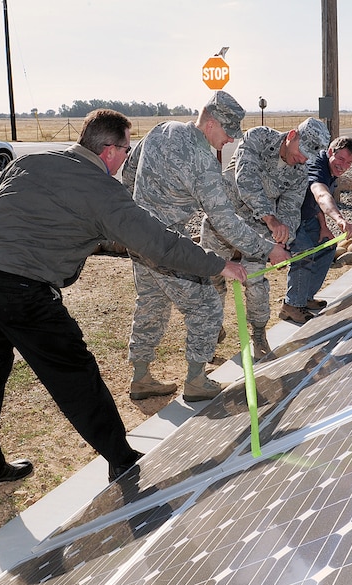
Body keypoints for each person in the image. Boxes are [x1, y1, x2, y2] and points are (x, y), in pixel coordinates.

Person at [0, 109, 248, 492]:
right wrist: (218, 265)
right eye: (127, 149)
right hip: (18, 288)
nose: (127, 157)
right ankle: (121, 459)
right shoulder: (103, 191)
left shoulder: (32, 160)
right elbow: (158, 243)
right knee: (75, 374)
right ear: (109, 150)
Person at [122, 91, 289, 402]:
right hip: (167, 243)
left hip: (136, 235)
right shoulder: (203, 163)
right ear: (211, 123)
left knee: (151, 302)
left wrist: (133, 213)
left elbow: (129, 172)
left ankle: (140, 376)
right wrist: (267, 249)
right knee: (206, 305)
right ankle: (197, 380)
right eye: (228, 134)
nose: (231, 141)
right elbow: (226, 222)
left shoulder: (162, 129)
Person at [199, 117, 330, 359]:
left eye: (308, 157)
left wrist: (283, 239)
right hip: (224, 217)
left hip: (257, 231)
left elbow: (291, 209)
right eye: (302, 151)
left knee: (256, 284)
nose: (303, 159)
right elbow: (245, 181)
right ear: (291, 136)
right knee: (211, 278)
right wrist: (271, 219)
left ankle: (258, 335)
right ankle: (211, 329)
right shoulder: (258, 137)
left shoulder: (300, 171)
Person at [280, 136, 352, 323]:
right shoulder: (316, 165)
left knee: (327, 246)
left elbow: (314, 202)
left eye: (349, 163)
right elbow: (320, 194)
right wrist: (339, 219)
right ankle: (291, 306)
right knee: (304, 252)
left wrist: (324, 227)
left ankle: (305, 297)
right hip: (287, 217)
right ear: (331, 152)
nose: (344, 166)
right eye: (341, 159)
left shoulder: (331, 170)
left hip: (307, 216)